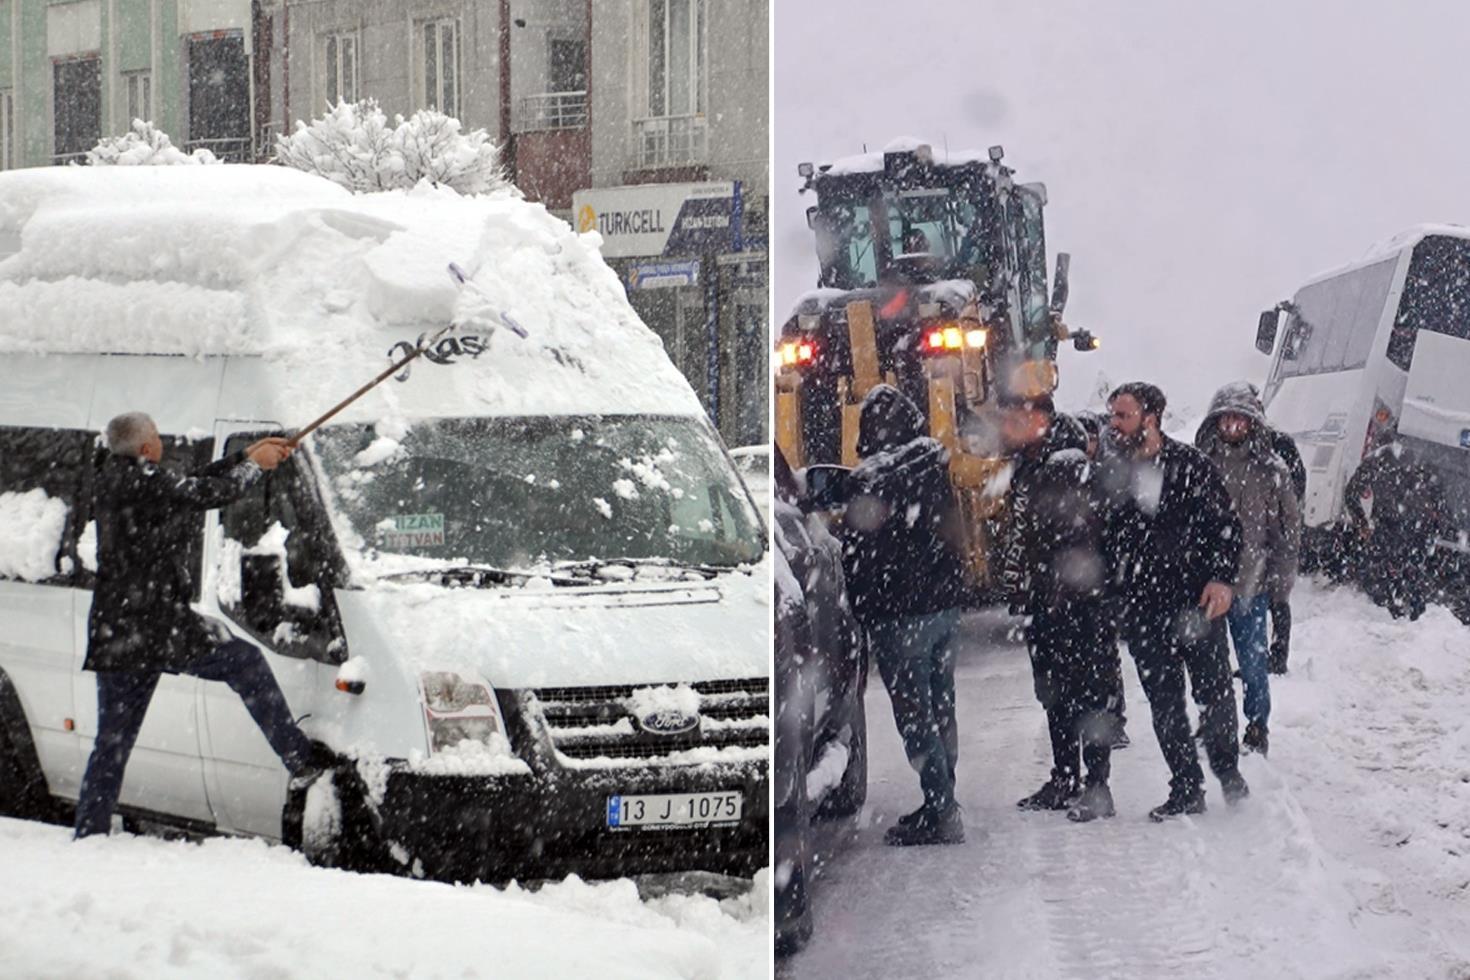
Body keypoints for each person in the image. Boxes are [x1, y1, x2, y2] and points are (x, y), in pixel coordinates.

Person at [75, 412, 327, 839]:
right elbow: (209, 493)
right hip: (158, 626)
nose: (161, 442)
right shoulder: (140, 482)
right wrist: (254, 467)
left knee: (112, 742)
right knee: (245, 663)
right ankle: (300, 761)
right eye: (157, 437)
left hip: (117, 631)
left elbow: (189, 483)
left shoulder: (119, 477)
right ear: (146, 448)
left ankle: (89, 831)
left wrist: (246, 455)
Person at [1096, 383, 1250, 820]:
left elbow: (1226, 528)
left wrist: (1221, 579)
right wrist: (1114, 599)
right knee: (1164, 703)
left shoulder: (1192, 466)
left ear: (1151, 418)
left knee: (1214, 695)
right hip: (1144, 611)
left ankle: (1228, 772)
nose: (1114, 425)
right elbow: (1105, 543)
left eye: (1123, 416)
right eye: (1112, 415)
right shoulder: (1114, 475)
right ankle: (1185, 787)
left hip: (1195, 604)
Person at [839, 385, 969, 846]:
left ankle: (941, 811)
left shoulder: (872, 481)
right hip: (942, 610)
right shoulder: (934, 465)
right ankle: (944, 795)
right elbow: (952, 536)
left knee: (915, 716)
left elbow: (859, 555)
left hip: (900, 616)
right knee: (941, 706)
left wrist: (861, 608)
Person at [1000, 397, 1118, 823]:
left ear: (1042, 419)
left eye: (1021, 417)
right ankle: (1066, 776)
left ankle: (1097, 786)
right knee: (1056, 693)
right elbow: (1023, 531)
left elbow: (1077, 533)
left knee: (1087, 692)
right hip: (1045, 600)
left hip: (1078, 602)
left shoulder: (1067, 463)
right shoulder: (1027, 464)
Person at [1194, 383, 1300, 757]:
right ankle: (1211, 720)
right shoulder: (1201, 465)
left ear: (1252, 423)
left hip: (1250, 585)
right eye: (1227, 419)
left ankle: (1257, 726)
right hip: (1206, 583)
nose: (1233, 426)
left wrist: (1280, 585)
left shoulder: (1272, 471)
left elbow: (1287, 533)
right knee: (1209, 663)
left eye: (1240, 419)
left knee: (1253, 663)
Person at [1343, 428, 1448, 621]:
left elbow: (1351, 492)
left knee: (1380, 573)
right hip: (1416, 527)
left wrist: (1361, 523)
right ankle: (1415, 614)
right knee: (1413, 573)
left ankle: (1385, 611)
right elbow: (1437, 493)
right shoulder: (1419, 459)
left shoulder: (1375, 460)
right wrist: (1435, 521)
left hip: (1386, 524)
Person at [1072, 409, 1129, 749]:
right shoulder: (1069, 479)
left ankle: (1114, 720)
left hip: (1103, 585)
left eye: (1092, 437)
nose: (1088, 444)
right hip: (1079, 587)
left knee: (1106, 659)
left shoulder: (1108, 478)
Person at [1242, 384, 1306, 675]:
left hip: (1278, 533)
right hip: (1252, 533)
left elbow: (1297, 483)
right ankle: (1256, 656)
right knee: (1252, 595)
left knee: (1277, 597)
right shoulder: (1237, 447)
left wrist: (1282, 515)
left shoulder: (1280, 444)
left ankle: (1278, 656)